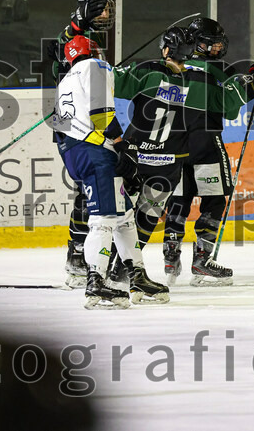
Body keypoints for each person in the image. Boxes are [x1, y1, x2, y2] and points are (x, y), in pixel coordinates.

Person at [49, 34, 169, 309]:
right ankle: (96, 282)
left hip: (74, 152)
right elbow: (103, 116)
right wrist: (118, 146)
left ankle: (138, 276)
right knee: (104, 217)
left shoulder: (66, 79)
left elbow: (61, 130)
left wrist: (112, 147)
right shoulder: (96, 66)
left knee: (124, 215)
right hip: (94, 153)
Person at [160, 17, 254, 285]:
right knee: (215, 200)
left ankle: (170, 257)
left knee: (179, 199)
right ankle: (201, 261)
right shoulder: (211, 70)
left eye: (217, 45)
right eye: (207, 44)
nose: (214, 49)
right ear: (194, 43)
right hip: (205, 141)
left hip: (173, 144)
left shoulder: (170, 67)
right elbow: (230, 101)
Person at [55, 0, 114, 289]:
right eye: (102, 8)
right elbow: (63, 69)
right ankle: (79, 253)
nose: (107, 14)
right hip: (78, 125)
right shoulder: (72, 35)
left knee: (89, 190)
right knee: (88, 190)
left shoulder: (92, 37)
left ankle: (83, 253)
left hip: (85, 120)